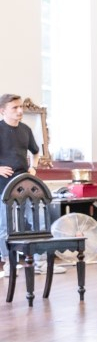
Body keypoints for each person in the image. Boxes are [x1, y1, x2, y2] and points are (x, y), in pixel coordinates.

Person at [0, 93, 39, 278]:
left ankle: (37, 261)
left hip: (25, 184)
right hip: (3, 186)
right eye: (15, 108)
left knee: (33, 222)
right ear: (2, 111)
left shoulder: (26, 130)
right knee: (4, 226)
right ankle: (8, 262)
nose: (20, 111)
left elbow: (35, 152)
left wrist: (33, 167)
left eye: (21, 107)